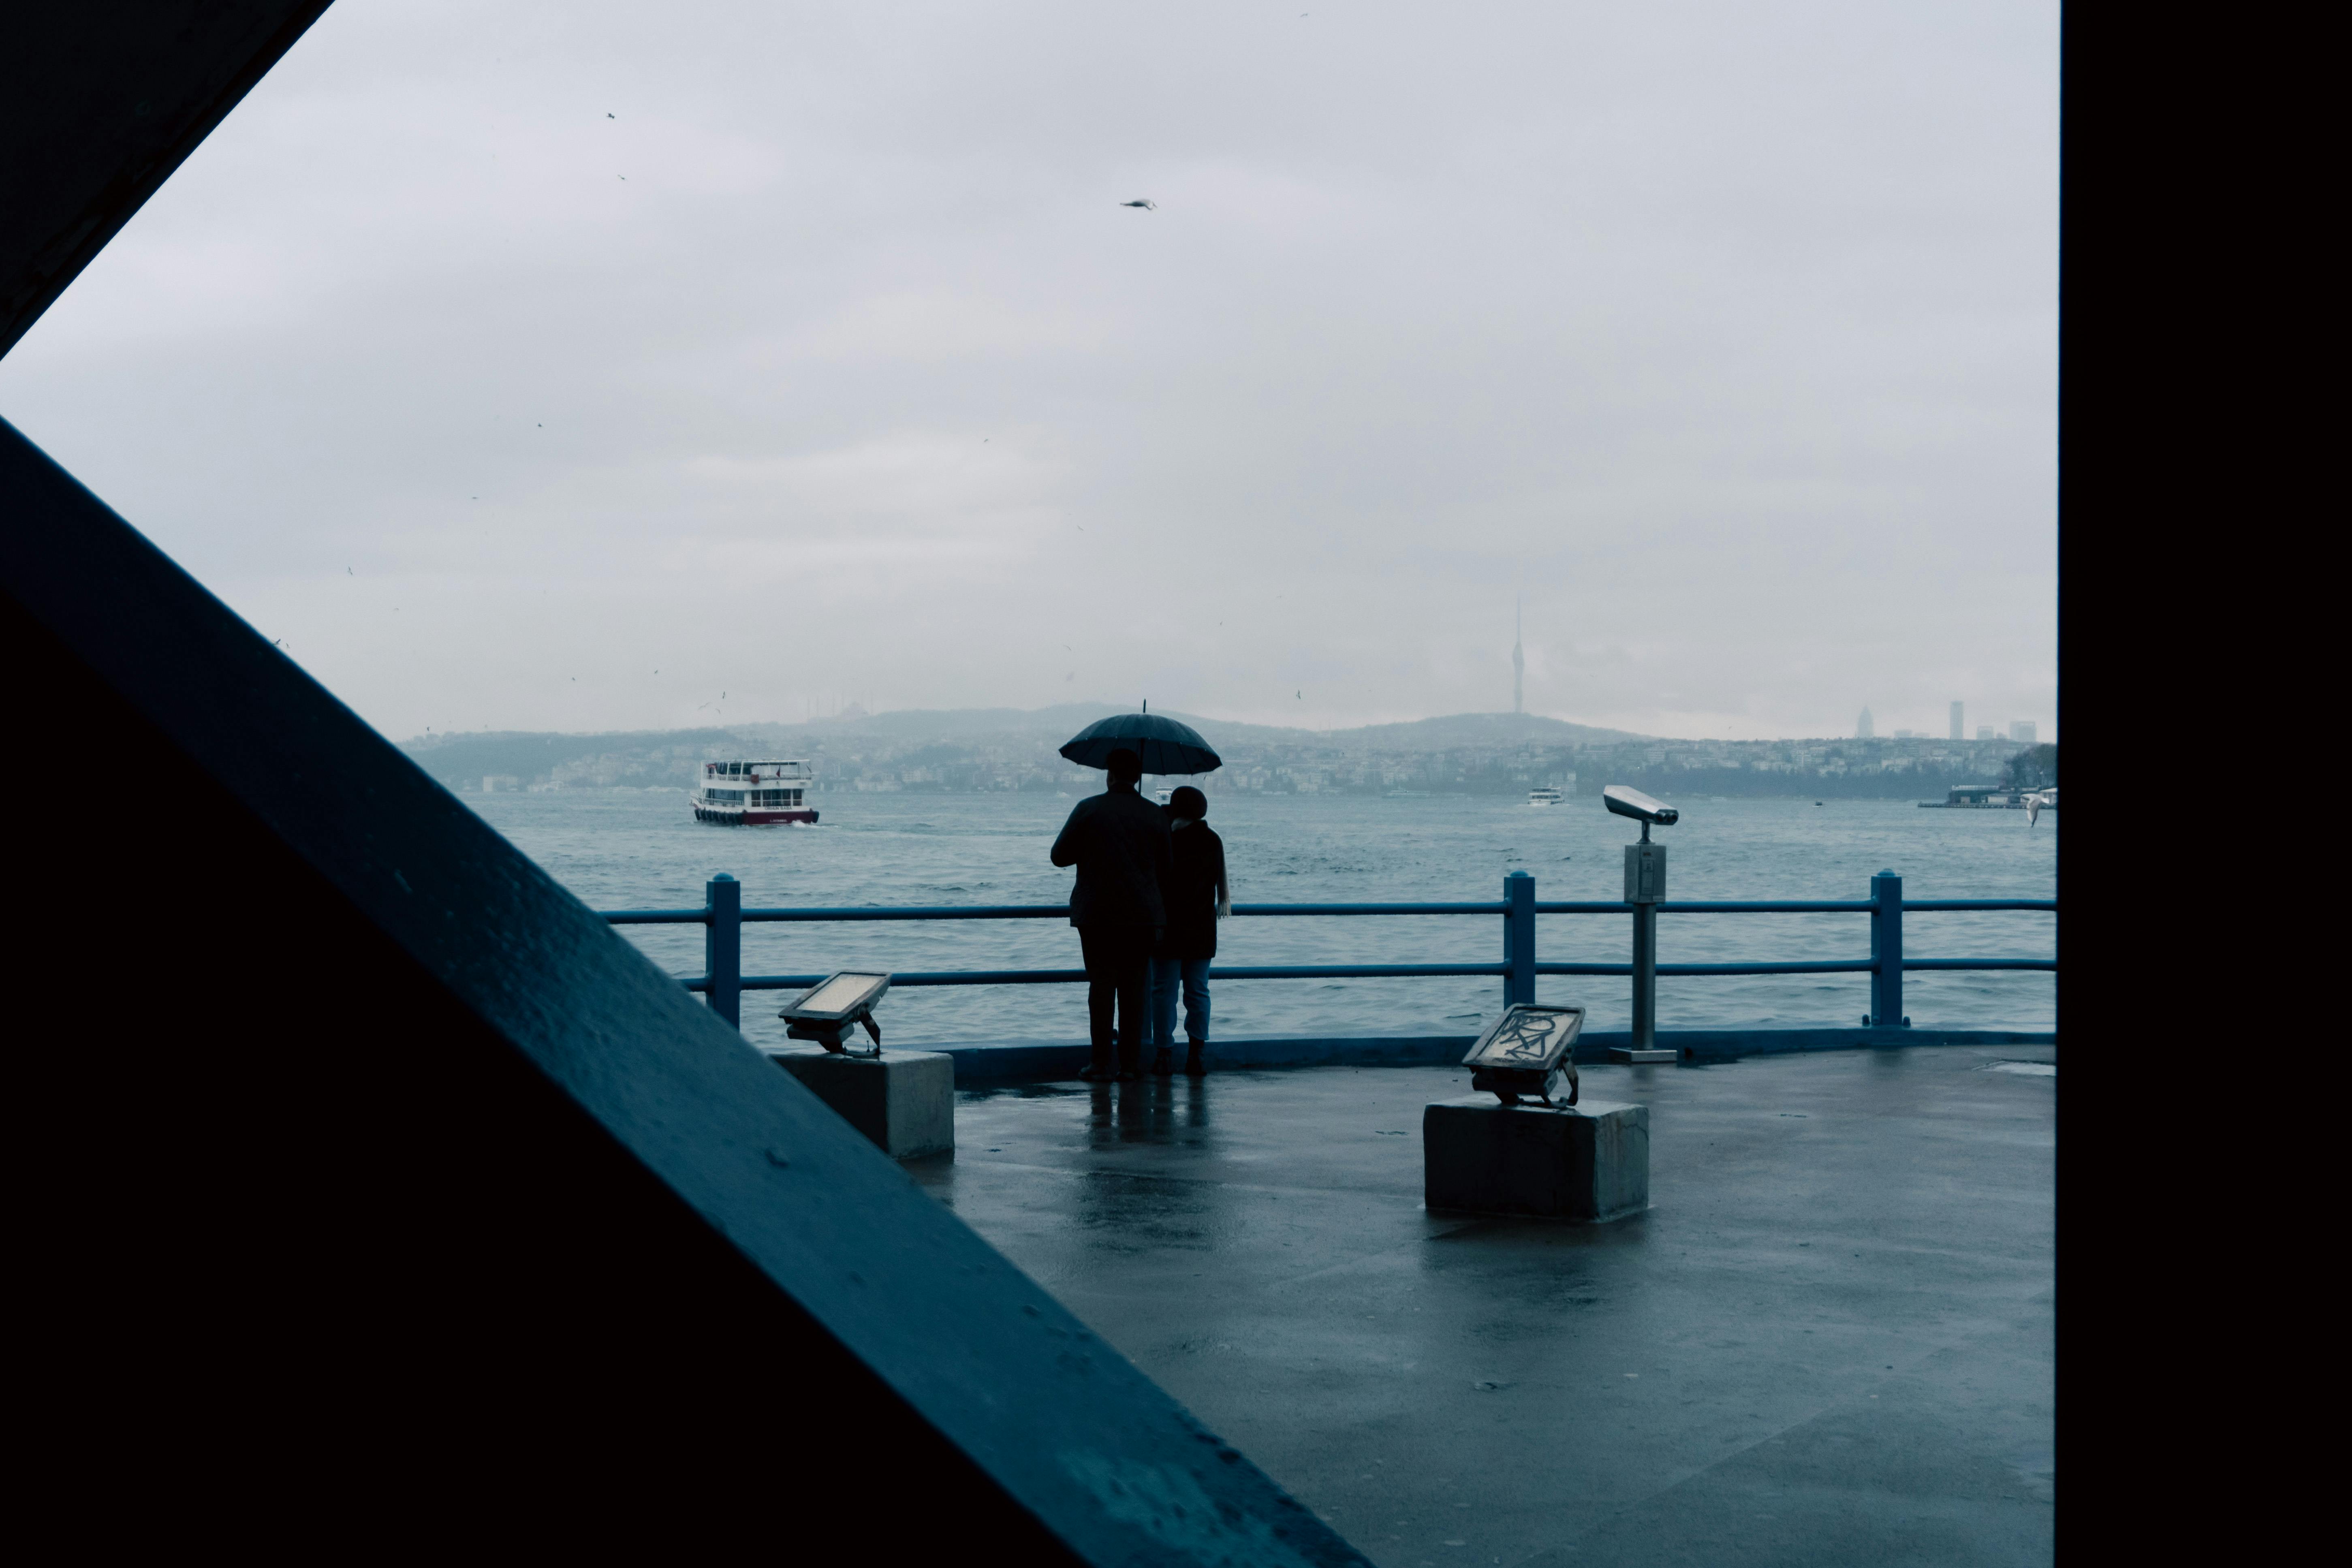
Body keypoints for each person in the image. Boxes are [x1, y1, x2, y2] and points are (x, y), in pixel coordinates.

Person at [1049, 748, 1171, 1082]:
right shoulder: (1156, 815)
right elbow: (1167, 868)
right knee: (1134, 991)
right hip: (1143, 917)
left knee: (1101, 989)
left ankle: (1100, 1063)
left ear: (1109, 774)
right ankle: (1130, 1067)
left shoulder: (1088, 809)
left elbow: (1059, 857)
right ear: (1138, 777)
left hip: (1097, 915)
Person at [1148, 785, 1228, 1077]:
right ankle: (1196, 1055)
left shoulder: (1168, 839)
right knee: (1198, 993)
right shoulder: (1212, 840)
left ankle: (1164, 1055)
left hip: (1166, 931)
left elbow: (1158, 883)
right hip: (1202, 931)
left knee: (1163, 993)